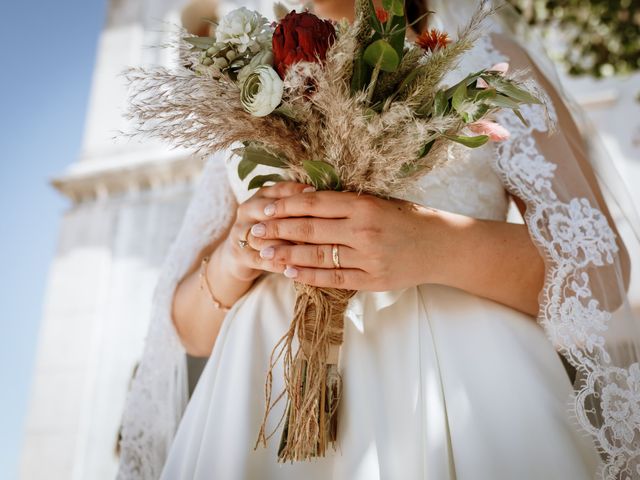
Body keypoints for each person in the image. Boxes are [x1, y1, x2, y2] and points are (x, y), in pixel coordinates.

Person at [116, 1, 640, 479]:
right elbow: (190, 332)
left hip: (464, 400)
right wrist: (234, 257)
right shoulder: (246, 81)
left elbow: (599, 270)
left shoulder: (488, 63)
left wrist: (432, 242)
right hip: (261, 400)